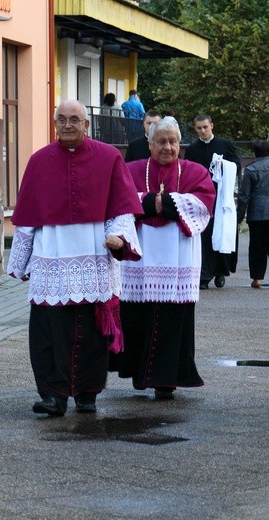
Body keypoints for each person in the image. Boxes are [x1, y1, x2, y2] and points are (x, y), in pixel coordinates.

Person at [7, 99, 143, 417]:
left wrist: (119, 238)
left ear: (86, 124)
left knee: (91, 332)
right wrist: (20, 262)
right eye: (62, 120)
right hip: (50, 256)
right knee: (49, 331)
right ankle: (53, 395)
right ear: (55, 124)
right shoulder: (39, 161)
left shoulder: (109, 158)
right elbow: (27, 218)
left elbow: (123, 208)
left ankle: (87, 394)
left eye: (74, 120)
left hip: (94, 254)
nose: (68, 125)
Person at [113, 117, 215, 400]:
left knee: (173, 319)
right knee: (137, 317)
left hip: (178, 257)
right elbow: (119, 199)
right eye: (161, 141)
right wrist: (149, 201)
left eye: (173, 141)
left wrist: (165, 202)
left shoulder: (194, 171)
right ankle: (138, 373)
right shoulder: (132, 169)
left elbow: (203, 203)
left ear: (180, 144)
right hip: (140, 258)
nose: (168, 147)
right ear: (150, 144)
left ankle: (166, 380)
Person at [184, 113, 242, 289]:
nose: (202, 131)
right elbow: (188, 171)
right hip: (202, 198)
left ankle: (220, 272)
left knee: (222, 233)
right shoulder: (193, 150)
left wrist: (223, 165)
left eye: (205, 127)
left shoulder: (225, 145)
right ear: (195, 129)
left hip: (221, 197)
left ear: (212, 126)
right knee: (205, 236)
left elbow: (237, 165)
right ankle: (204, 274)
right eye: (199, 128)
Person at [237, 139, 269, 289]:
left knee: (256, 247)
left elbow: (244, 196)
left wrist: (239, 216)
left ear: (255, 153)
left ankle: (257, 278)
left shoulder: (251, 169)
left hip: (257, 213)